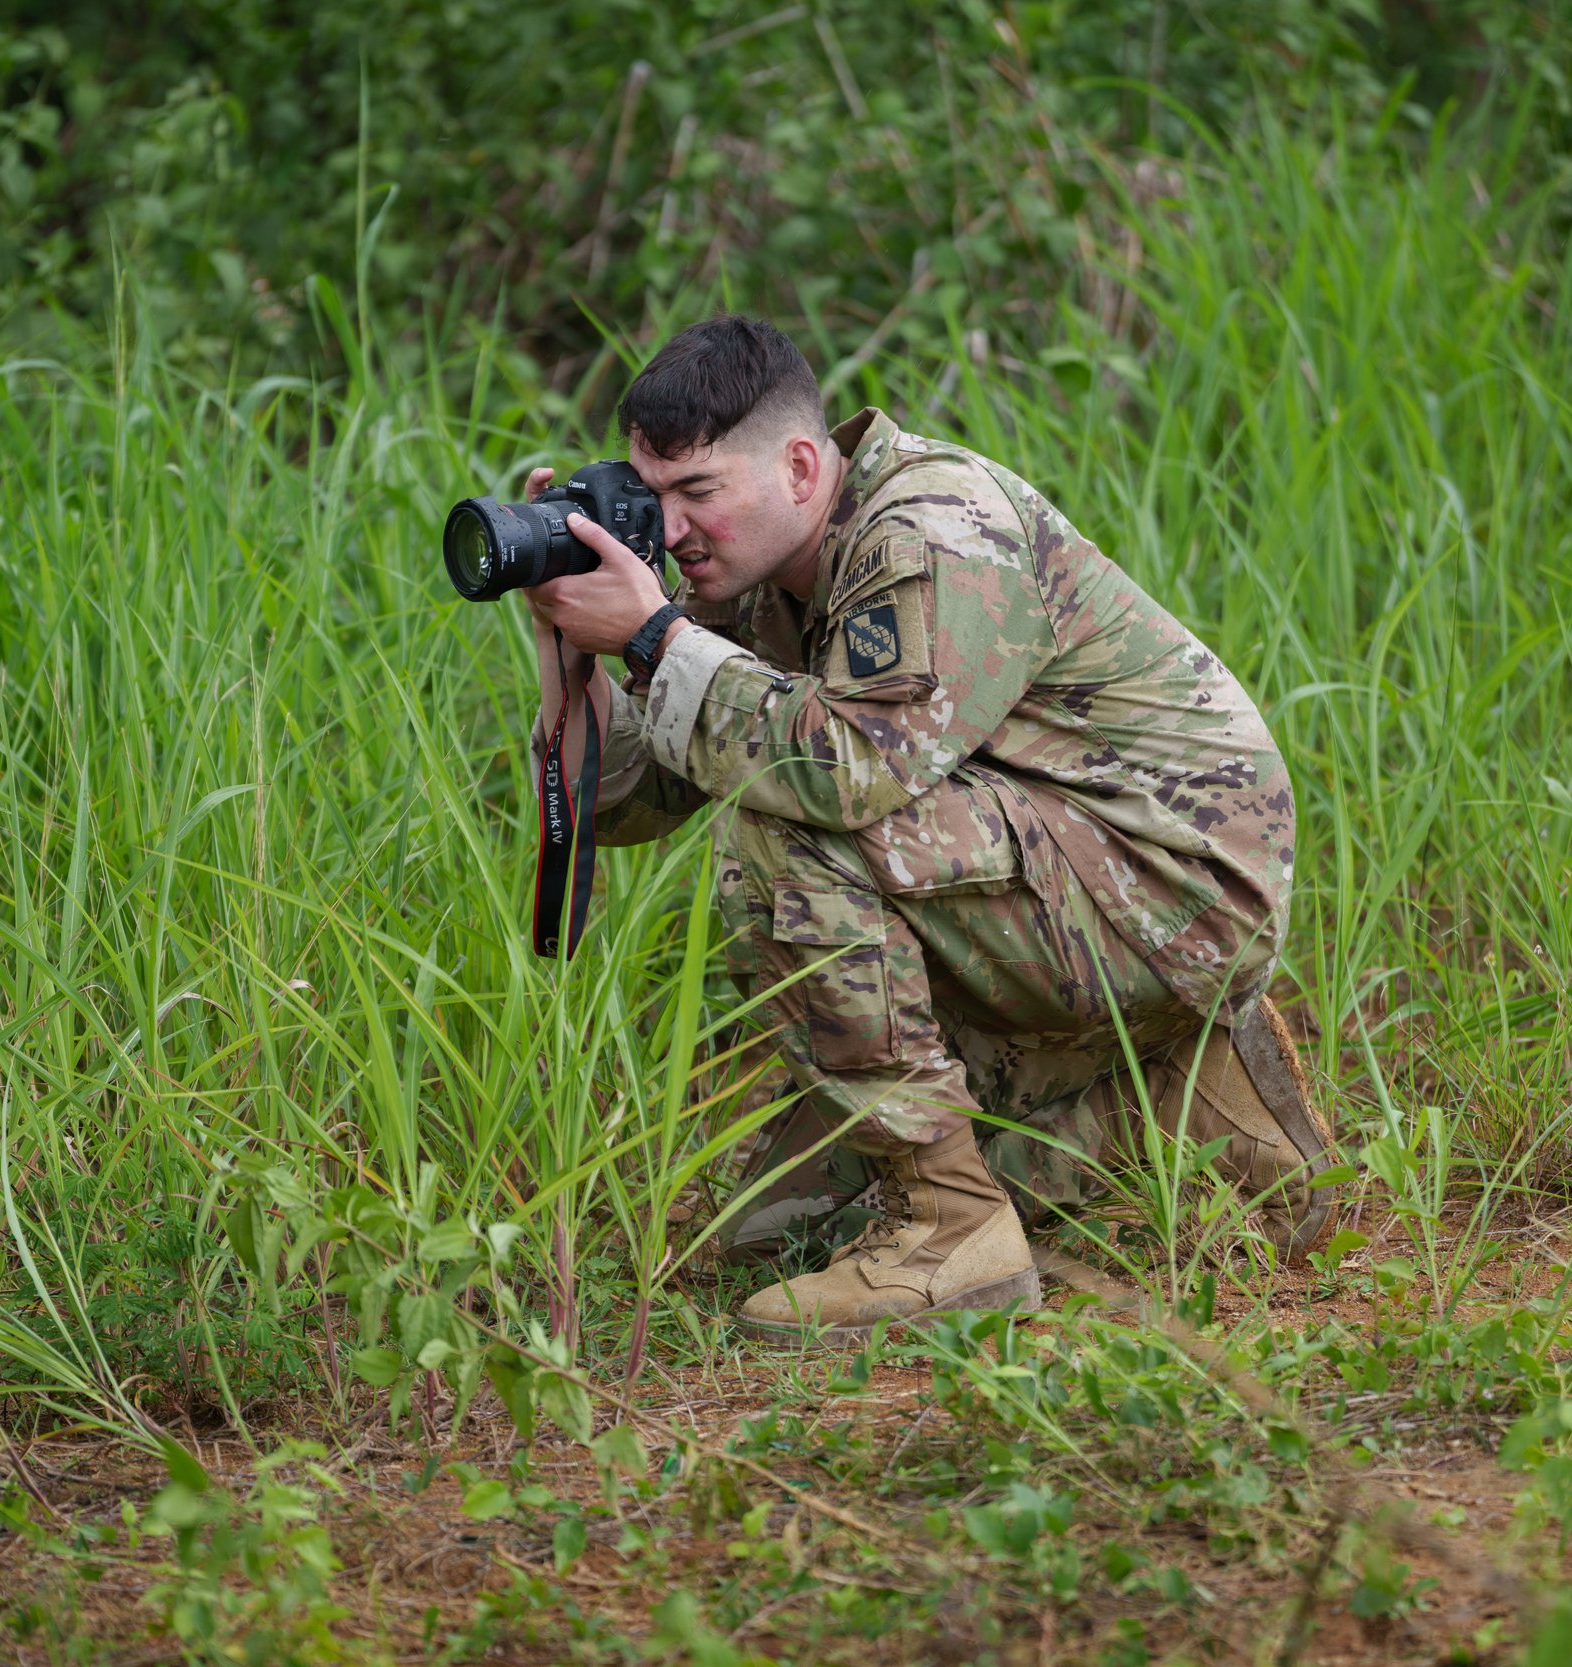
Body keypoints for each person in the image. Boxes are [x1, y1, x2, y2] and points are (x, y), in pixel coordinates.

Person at [518, 315, 1332, 1340]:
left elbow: (845, 775)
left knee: (792, 831)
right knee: (763, 1238)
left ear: (803, 465)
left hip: (1177, 887)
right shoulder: (756, 573)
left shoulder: (931, 527)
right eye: (652, 495)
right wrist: (572, 654)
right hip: (1046, 872)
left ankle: (951, 1231)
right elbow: (634, 803)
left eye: (697, 494)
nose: (671, 532)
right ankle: (1181, 1104)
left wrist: (651, 633)